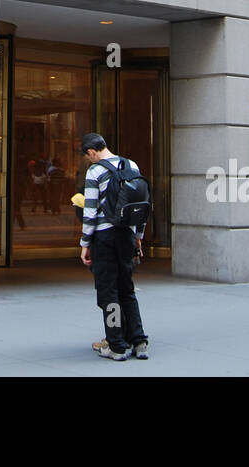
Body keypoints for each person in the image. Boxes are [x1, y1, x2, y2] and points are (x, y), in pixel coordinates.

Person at [78, 132, 148, 361]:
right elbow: (141, 204)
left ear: (91, 152)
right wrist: (138, 235)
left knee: (109, 292)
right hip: (127, 235)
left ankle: (116, 345)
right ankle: (139, 341)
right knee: (127, 289)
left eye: (88, 157)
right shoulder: (132, 165)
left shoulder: (95, 171)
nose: (90, 160)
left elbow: (89, 212)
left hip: (104, 238)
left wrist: (85, 244)